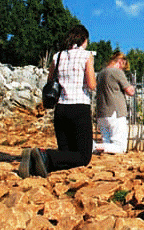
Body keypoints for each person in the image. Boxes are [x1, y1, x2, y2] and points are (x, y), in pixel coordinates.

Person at [18, 25, 97, 178]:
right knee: (83, 157)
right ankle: (44, 154)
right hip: (79, 107)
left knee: (66, 154)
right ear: (84, 39)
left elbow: (50, 80)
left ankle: (35, 164)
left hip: (60, 109)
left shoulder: (57, 56)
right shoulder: (87, 55)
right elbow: (92, 84)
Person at [93, 51, 135, 154]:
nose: (123, 69)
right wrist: (132, 87)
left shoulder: (100, 74)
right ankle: (94, 146)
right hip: (115, 112)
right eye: (123, 66)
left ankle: (96, 147)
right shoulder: (116, 72)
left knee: (107, 143)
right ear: (120, 61)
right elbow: (130, 91)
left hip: (102, 113)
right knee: (120, 147)